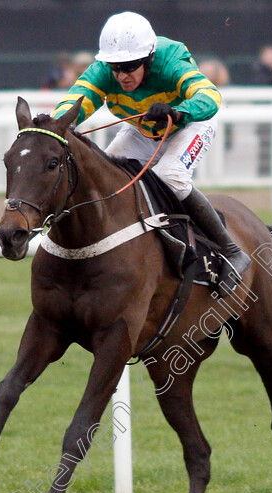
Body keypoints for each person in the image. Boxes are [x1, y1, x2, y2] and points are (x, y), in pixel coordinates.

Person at [51, 11, 251, 289]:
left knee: (169, 176)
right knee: (107, 178)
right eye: (115, 67)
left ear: (148, 59)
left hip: (187, 124)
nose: (121, 76)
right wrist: (55, 125)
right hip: (143, 128)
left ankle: (232, 251)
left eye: (130, 67)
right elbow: (76, 101)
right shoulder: (104, 70)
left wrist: (179, 112)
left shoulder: (169, 60)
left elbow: (211, 96)